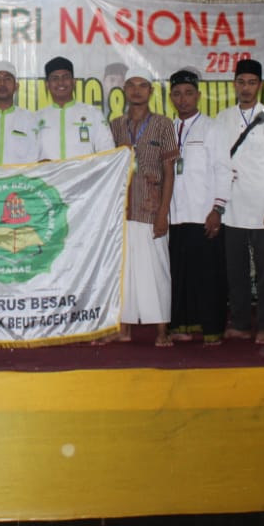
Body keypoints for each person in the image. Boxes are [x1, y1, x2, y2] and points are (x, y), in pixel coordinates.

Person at [103, 69, 178, 347]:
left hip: (150, 209)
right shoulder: (115, 126)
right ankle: (123, 329)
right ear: (124, 90)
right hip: (121, 211)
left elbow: (169, 172)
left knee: (156, 271)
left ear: (151, 91)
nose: (137, 90)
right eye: (132, 85)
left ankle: (162, 331)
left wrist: (163, 214)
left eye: (142, 85)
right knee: (123, 272)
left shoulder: (163, 125)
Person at [218, 60, 264, 345]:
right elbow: (218, 159)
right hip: (231, 206)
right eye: (241, 82)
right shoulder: (223, 118)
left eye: (251, 83)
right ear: (234, 84)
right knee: (235, 271)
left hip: (263, 207)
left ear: (260, 85)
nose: (246, 88)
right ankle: (239, 323)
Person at [165, 69, 229, 344]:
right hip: (174, 216)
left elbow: (224, 170)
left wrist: (218, 209)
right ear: (170, 97)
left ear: (198, 96)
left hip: (203, 213)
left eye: (188, 93)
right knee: (178, 274)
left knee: (207, 275)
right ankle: (181, 325)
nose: (183, 99)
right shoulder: (167, 129)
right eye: (177, 94)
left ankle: (212, 329)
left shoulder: (212, 128)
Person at [37, 57, 115, 160]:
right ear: (47, 85)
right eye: (55, 78)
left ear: (74, 82)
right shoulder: (37, 118)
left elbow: (108, 152)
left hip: (86, 171)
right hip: (47, 171)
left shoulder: (93, 113)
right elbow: (28, 156)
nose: (61, 82)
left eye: (65, 77)